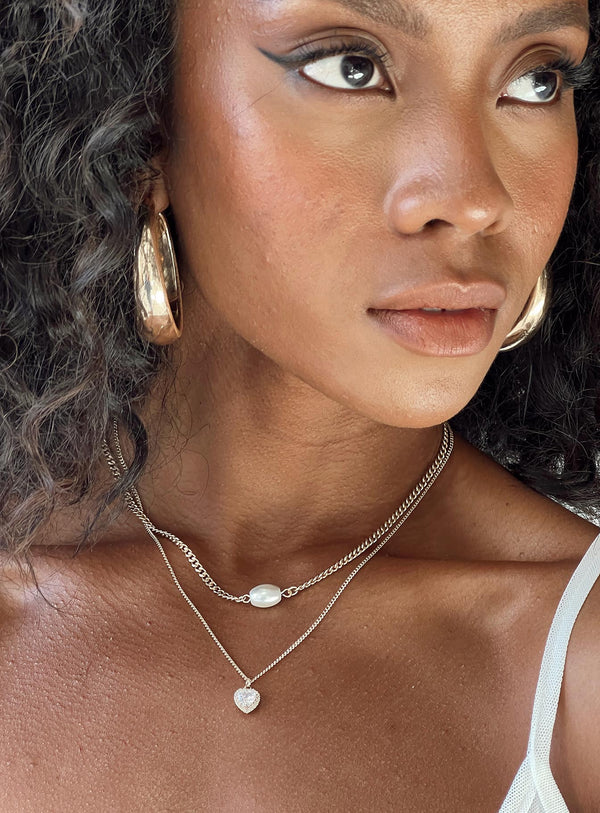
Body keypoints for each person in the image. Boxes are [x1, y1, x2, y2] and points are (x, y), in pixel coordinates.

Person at [1, 0, 600, 809]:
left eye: (536, 80)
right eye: (351, 67)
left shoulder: (579, 659)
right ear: (138, 120)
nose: (473, 198)